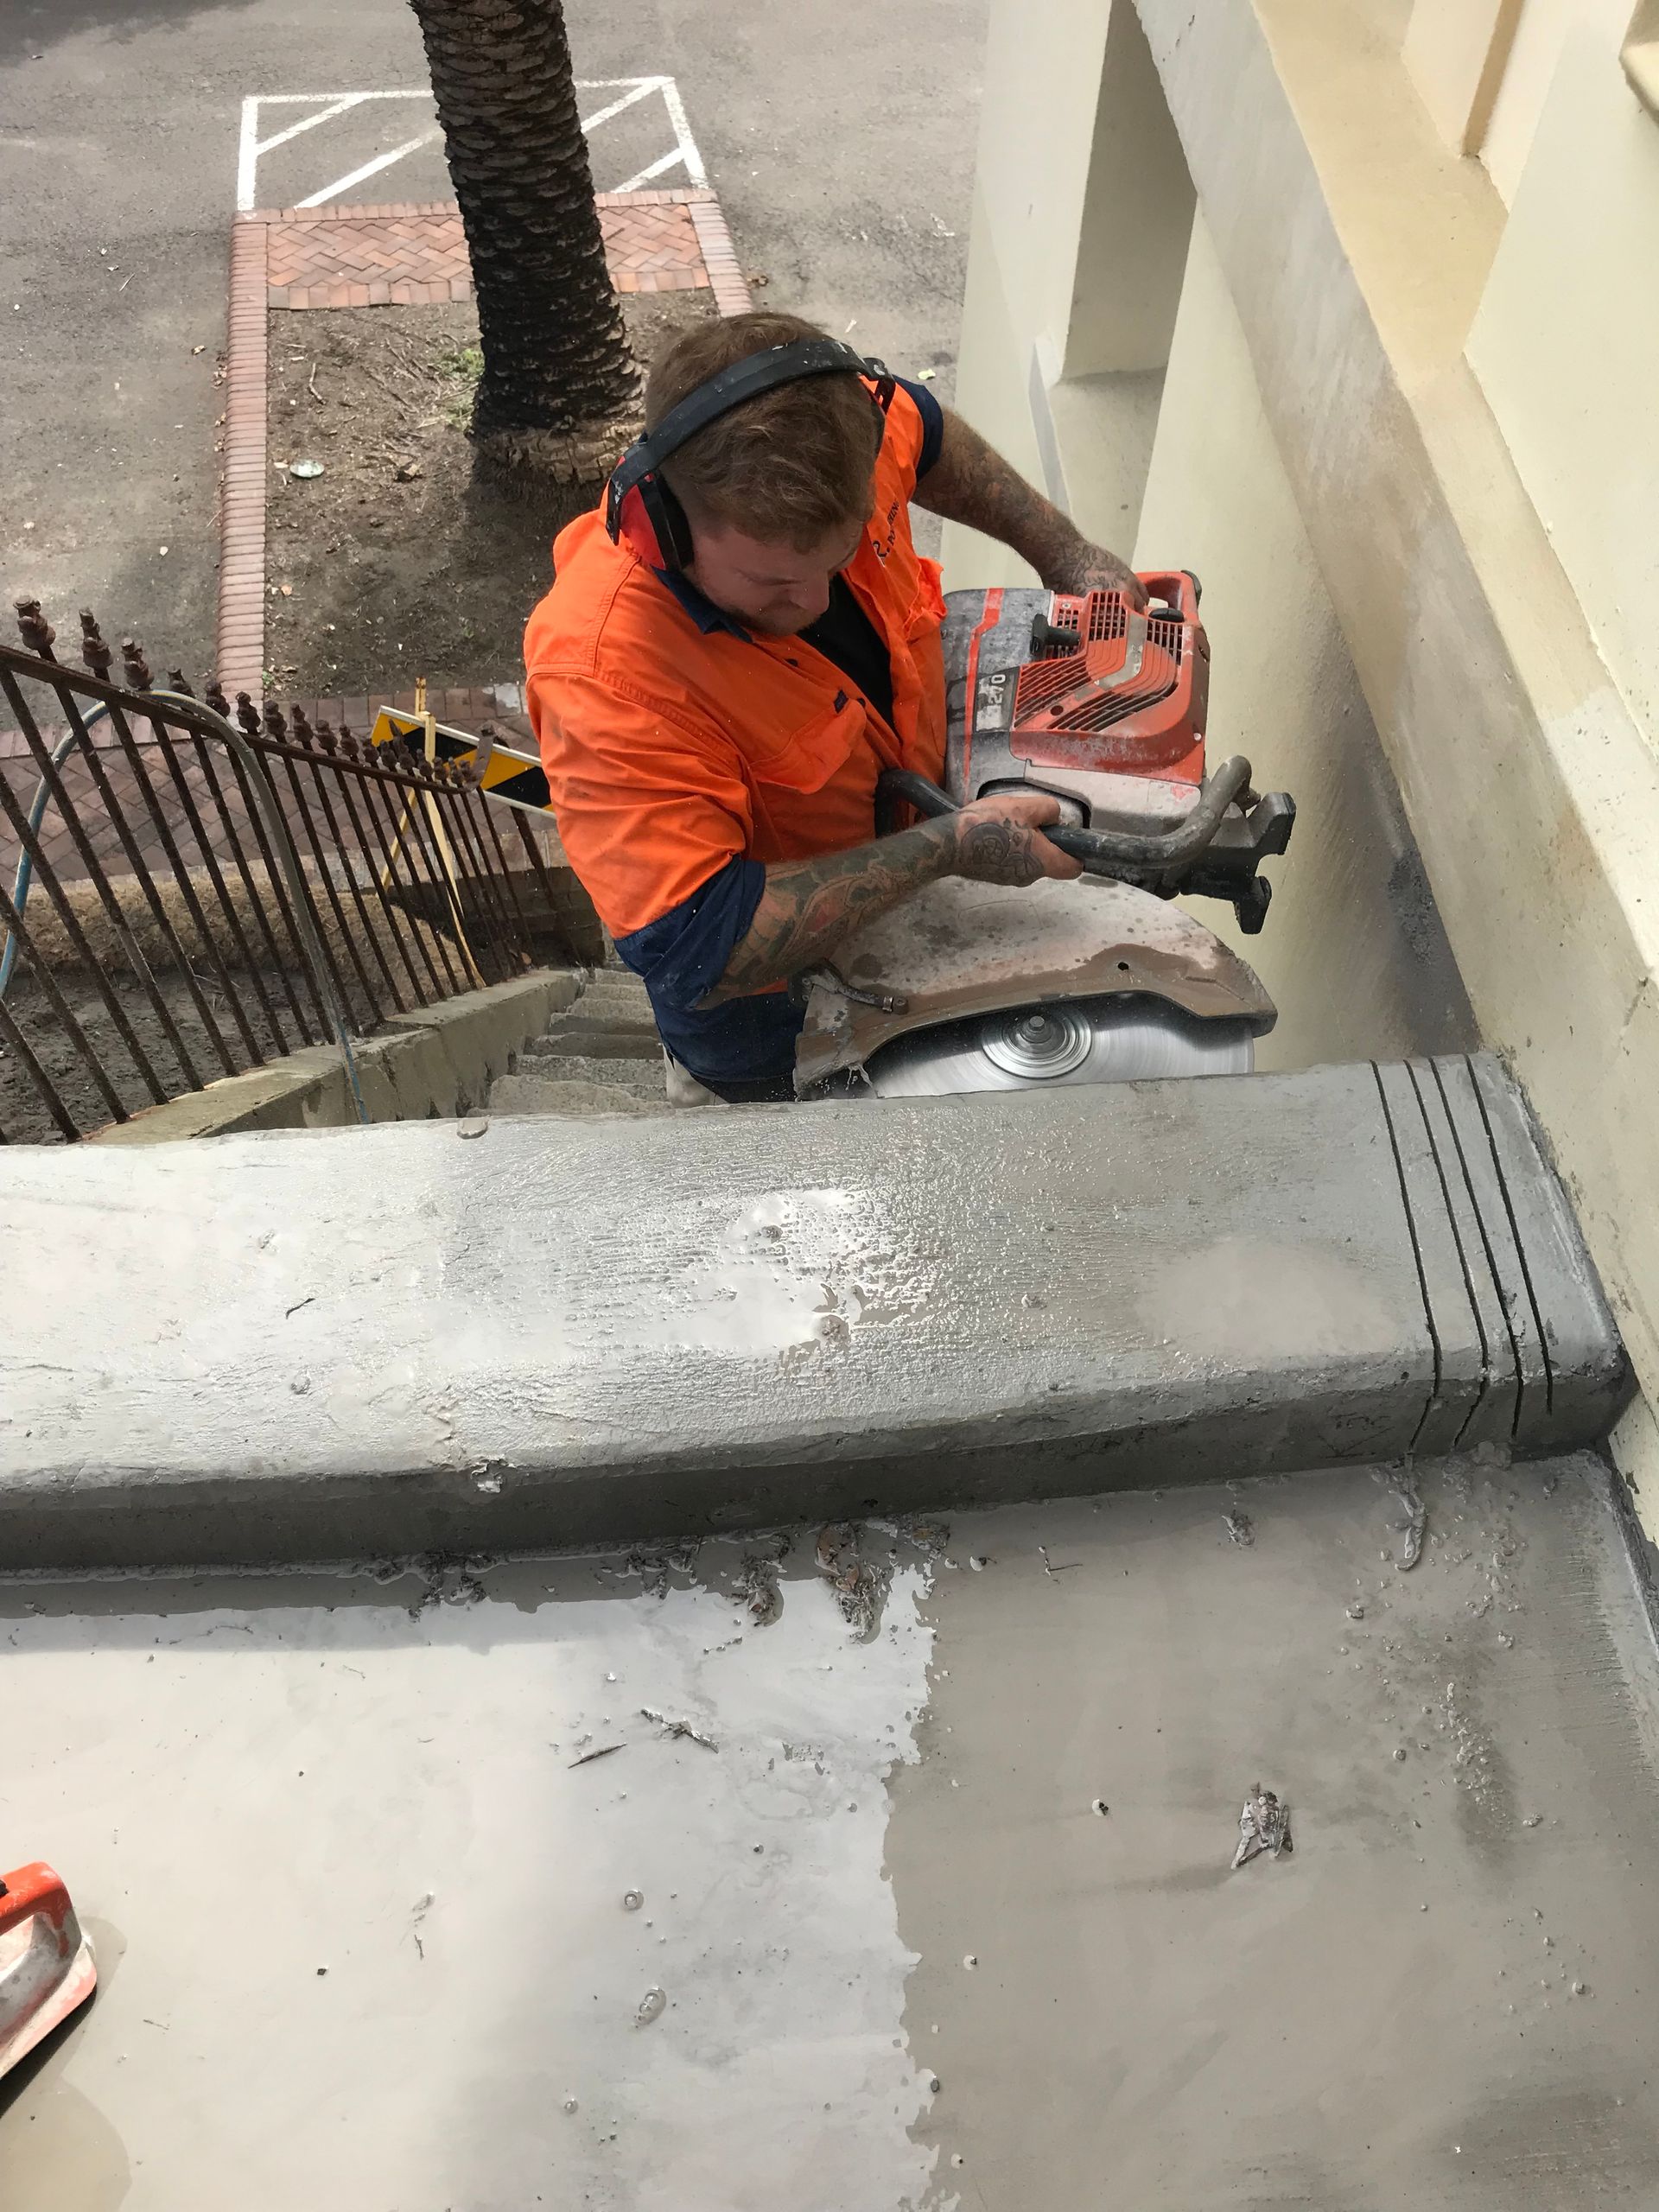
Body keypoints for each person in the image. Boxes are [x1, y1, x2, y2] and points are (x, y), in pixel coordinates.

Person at [523, 309, 1145, 1103]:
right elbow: (695, 945)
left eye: (841, 556)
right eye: (772, 584)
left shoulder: (850, 441)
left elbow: (925, 430)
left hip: (916, 903)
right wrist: (947, 850)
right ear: (663, 529)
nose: (815, 602)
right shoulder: (604, 674)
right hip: (772, 1028)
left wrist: (1067, 552)